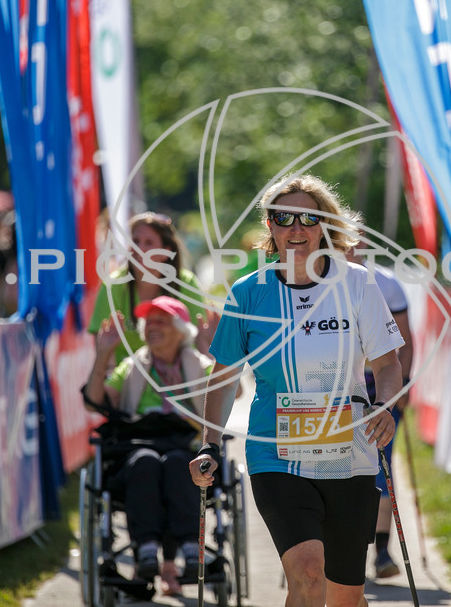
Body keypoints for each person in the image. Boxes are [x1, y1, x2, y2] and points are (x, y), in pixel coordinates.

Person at [190, 174, 403, 607]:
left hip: (349, 452)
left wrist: (384, 406)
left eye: (309, 217)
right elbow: (225, 377)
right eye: (283, 218)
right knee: (307, 576)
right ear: (269, 226)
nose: (296, 228)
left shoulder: (357, 284)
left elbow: (387, 364)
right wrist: (209, 443)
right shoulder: (248, 294)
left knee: (345, 596)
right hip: (277, 454)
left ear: (325, 224)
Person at [83, 295, 213, 596]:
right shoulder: (131, 366)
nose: (151, 327)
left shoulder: (197, 364)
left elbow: (232, 392)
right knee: (146, 461)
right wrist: (103, 354)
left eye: (161, 321)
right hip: (135, 450)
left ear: (181, 329)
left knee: (178, 462)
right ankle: (146, 550)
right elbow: (96, 402)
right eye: (148, 321)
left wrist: (207, 348)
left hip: (184, 448)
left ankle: (192, 548)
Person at [346, 241, 415, 580]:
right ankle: (344, 549)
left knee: (379, 462)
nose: (348, 248)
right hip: (340, 385)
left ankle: (382, 551)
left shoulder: (385, 282)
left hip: (379, 383)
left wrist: (401, 385)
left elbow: (404, 338)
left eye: (353, 241)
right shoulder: (318, 282)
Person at [89, 212, 214, 362]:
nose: (139, 248)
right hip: (126, 379)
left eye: (149, 243)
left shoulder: (186, 283)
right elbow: (103, 355)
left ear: (166, 252)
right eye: (135, 241)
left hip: (179, 377)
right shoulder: (112, 286)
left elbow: (201, 342)